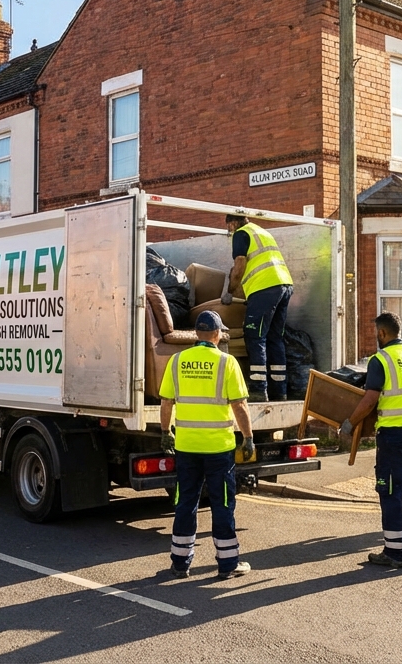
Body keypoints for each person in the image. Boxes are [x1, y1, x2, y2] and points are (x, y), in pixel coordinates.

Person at [160, 310, 256, 579]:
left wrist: (166, 432)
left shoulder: (177, 361)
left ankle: (180, 563)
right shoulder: (227, 362)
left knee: (185, 503)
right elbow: (239, 405)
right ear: (216, 334)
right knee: (222, 504)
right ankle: (227, 564)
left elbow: (166, 401)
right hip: (218, 449)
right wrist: (248, 438)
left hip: (187, 447)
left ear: (195, 333)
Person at [341, 312, 402, 569]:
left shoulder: (380, 360)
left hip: (394, 436)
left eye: (377, 333)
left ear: (383, 333)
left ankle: (395, 553)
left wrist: (351, 423)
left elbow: (370, 399)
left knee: (390, 491)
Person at [225, 213, 294, 402]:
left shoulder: (241, 234)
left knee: (254, 336)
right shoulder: (262, 232)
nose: (229, 231)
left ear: (232, 223)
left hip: (264, 288)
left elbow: (239, 267)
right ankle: (279, 391)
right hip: (284, 285)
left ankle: (258, 389)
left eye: (228, 227)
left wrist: (229, 291)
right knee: (275, 338)